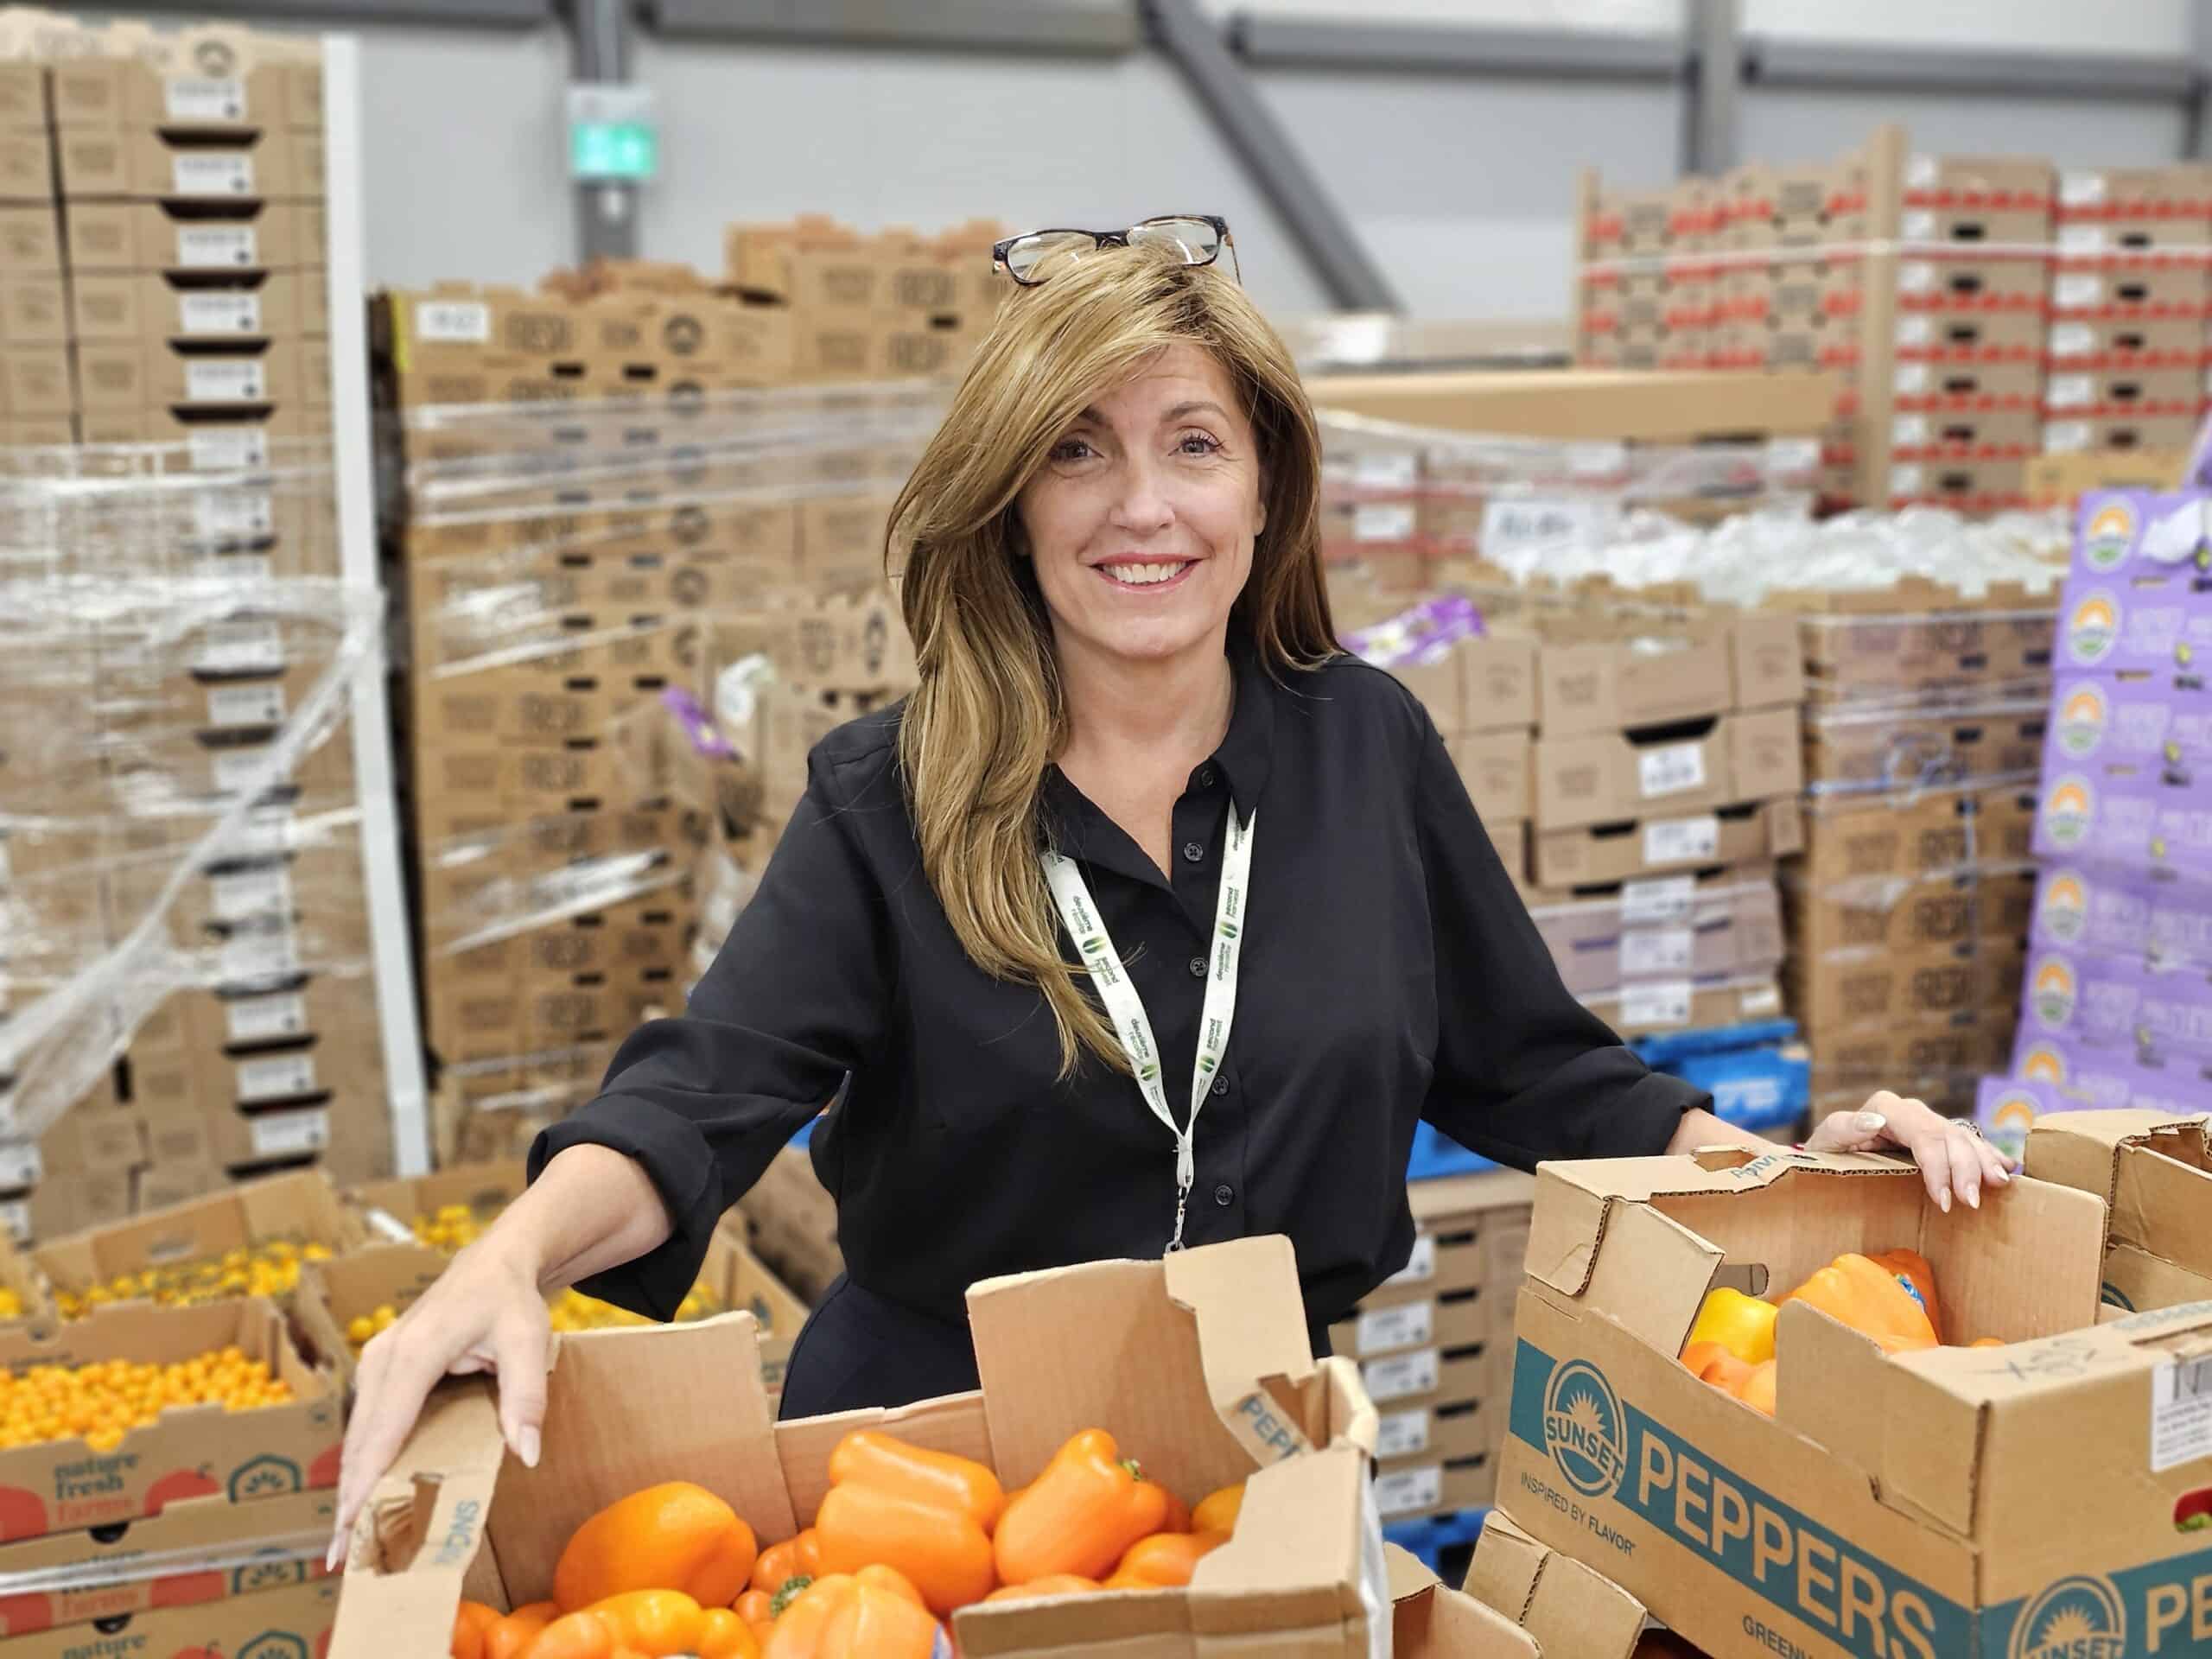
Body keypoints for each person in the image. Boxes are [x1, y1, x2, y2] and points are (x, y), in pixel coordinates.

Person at [327, 216, 2014, 1564]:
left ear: (1261, 485)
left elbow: (1533, 1071)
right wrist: (516, 1259)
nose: (1140, 506)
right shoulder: (886, 794)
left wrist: (1790, 1175)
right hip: (939, 1489)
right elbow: (709, 1091)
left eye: (1189, 444)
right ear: (1006, 503)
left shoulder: (1366, 751)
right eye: (1075, 450)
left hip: (1264, 1451)